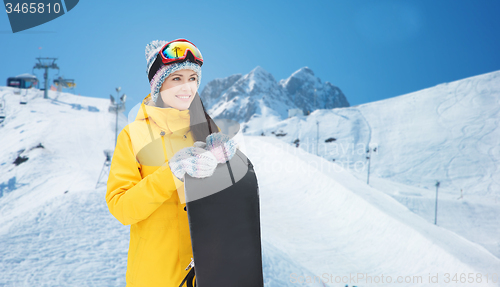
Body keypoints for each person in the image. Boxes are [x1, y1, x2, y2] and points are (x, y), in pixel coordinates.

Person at [106, 39, 236, 287]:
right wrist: (172, 173)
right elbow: (121, 208)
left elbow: (229, 204)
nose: (186, 87)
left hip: (206, 274)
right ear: (158, 84)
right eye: (176, 78)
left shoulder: (206, 130)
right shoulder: (134, 136)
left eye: (192, 78)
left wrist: (228, 163)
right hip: (154, 277)